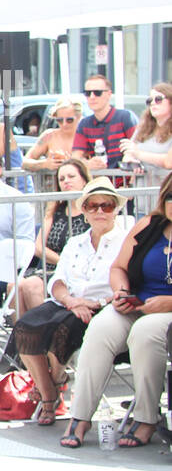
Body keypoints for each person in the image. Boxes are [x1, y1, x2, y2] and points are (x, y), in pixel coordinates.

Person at [60, 172, 172, 449]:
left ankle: (146, 417)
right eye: (170, 197)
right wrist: (121, 291)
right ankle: (81, 415)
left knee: (145, 332)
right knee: (100, 328)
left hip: (166, 309)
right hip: (137, 301)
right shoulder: (149, 226)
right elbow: (119, 267)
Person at [11, 178, 131, 426]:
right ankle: (49, 392)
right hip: (68, 302)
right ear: (84, 211)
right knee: (25, 328)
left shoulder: (125, 242)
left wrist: (94, 303)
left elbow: (129, 283)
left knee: (63, 331)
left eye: (107, 206)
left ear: (116, 210)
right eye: (93, 206)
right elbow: (58, 279)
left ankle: (50, 394)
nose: (99, 211)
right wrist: (71, 300)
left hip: (103, 308)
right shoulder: (76, 241)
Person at [16, 158, 92, 313]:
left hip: (78, 270)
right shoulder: (55, 210)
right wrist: (62, 261)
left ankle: (44, 331)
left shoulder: (93, 211)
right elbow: (38, 247)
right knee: (14, 287)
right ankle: (30, 336)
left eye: (71, 177)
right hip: (50, 267)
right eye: (62, 179)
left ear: (84, 180)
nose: (66, 182)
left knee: (29, 285)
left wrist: (67, 264)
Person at [118, 83, 172, 198]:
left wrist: (139, 154)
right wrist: (133, 163)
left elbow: (169, 162)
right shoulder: (142, 128)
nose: (153, 103)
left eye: (158, 99)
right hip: (142, 198)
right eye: (149, 100)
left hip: (166, 198)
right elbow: (128, 155)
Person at [73, 74, 136, 171]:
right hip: (99, 182)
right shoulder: (84, 124)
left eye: (97, 93)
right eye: (87, 93)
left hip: (125, 182)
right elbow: (75, 157)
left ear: (109, 94)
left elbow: (139, 147)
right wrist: (88, 164)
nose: (92, 97)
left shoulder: (125, 117)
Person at [23, 101, 80, 174]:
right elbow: (24, 162)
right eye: (60, 120)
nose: (64, 124)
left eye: (69, 120)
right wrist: (44, 164)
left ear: (78, 117)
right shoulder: (49, 136)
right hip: (51, 183)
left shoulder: (86, 136)